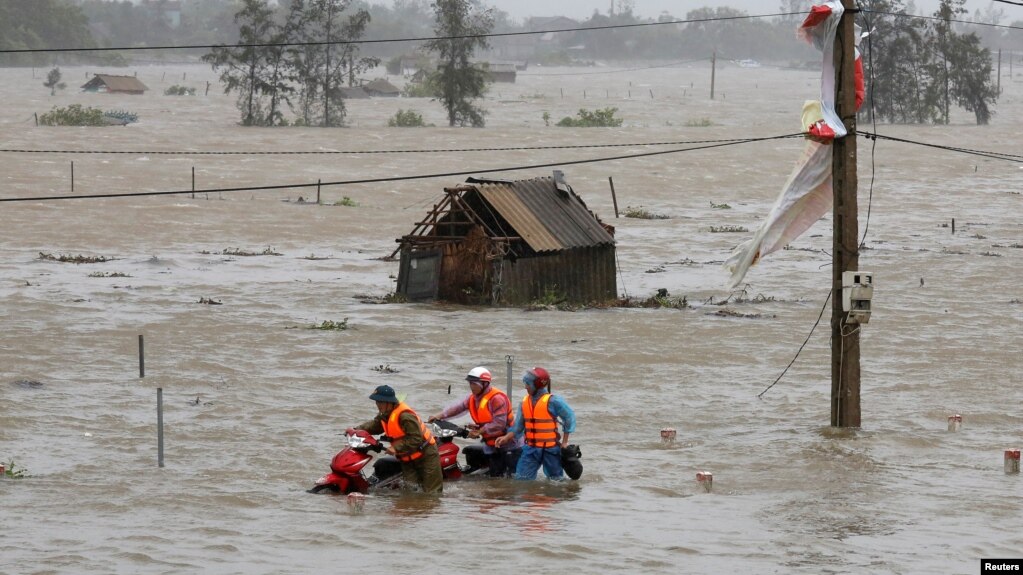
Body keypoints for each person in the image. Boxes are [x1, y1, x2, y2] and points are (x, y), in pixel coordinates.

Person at [428, 366, 522, 477]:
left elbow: (499, 423)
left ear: (485, 384)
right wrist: (439, 416)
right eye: (470, 383)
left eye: (474, 384)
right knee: (494, 478)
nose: (471, 387)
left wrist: (479, 431)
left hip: (509, 444)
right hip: (491, 443)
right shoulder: (473, 398)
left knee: (504, 478)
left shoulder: (497, 399)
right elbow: (458, 408)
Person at [353, 384, 443, 493]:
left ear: (389, 402)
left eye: (380, 402)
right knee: (411, 493)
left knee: (432, 493)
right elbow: (374, 426)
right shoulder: (385, 414)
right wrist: (356, 430)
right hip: (407, 458)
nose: (378, 405)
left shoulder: (405, 416)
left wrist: (396, 448)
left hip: (426, 455)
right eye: (376, 402)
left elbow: (415, 438)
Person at [494, 367, 576, 481]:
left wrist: (565, 442)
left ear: (537, 385)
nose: (525, 387)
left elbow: (569, 417)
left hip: (551, 450)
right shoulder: (524, 403)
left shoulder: (554, 401)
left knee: (557, 482)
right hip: (530, 450)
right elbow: (518, 427)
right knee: (521, 480)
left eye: (528, 384)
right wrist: (506, 437)